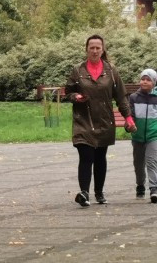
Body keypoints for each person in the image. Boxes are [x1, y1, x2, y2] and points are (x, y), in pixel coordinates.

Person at [65, 34, 134, 206]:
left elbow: (121, 97)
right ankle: (84, 193)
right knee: (86, 155)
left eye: (98, 48)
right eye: (91, 48)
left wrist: (128, 117)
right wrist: (76, 96)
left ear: (103, 50)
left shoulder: (111, 71)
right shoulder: (77, 70)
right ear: (86, 49)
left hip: (104, 120)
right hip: (84, 120)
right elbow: (68, 92)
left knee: (100, 157)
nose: (95, 51)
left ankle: (99, 192)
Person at [129, 68, 157, 201]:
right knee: (138, 164)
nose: (144, 82)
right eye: (143, 79)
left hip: (153, 136)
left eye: (148, 80)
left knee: (151, 162)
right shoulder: (134, 97)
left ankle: (154, 189)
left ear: (154, 83)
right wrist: (129, 126)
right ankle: (140, 185)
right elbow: (131, 116)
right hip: (137, 136)